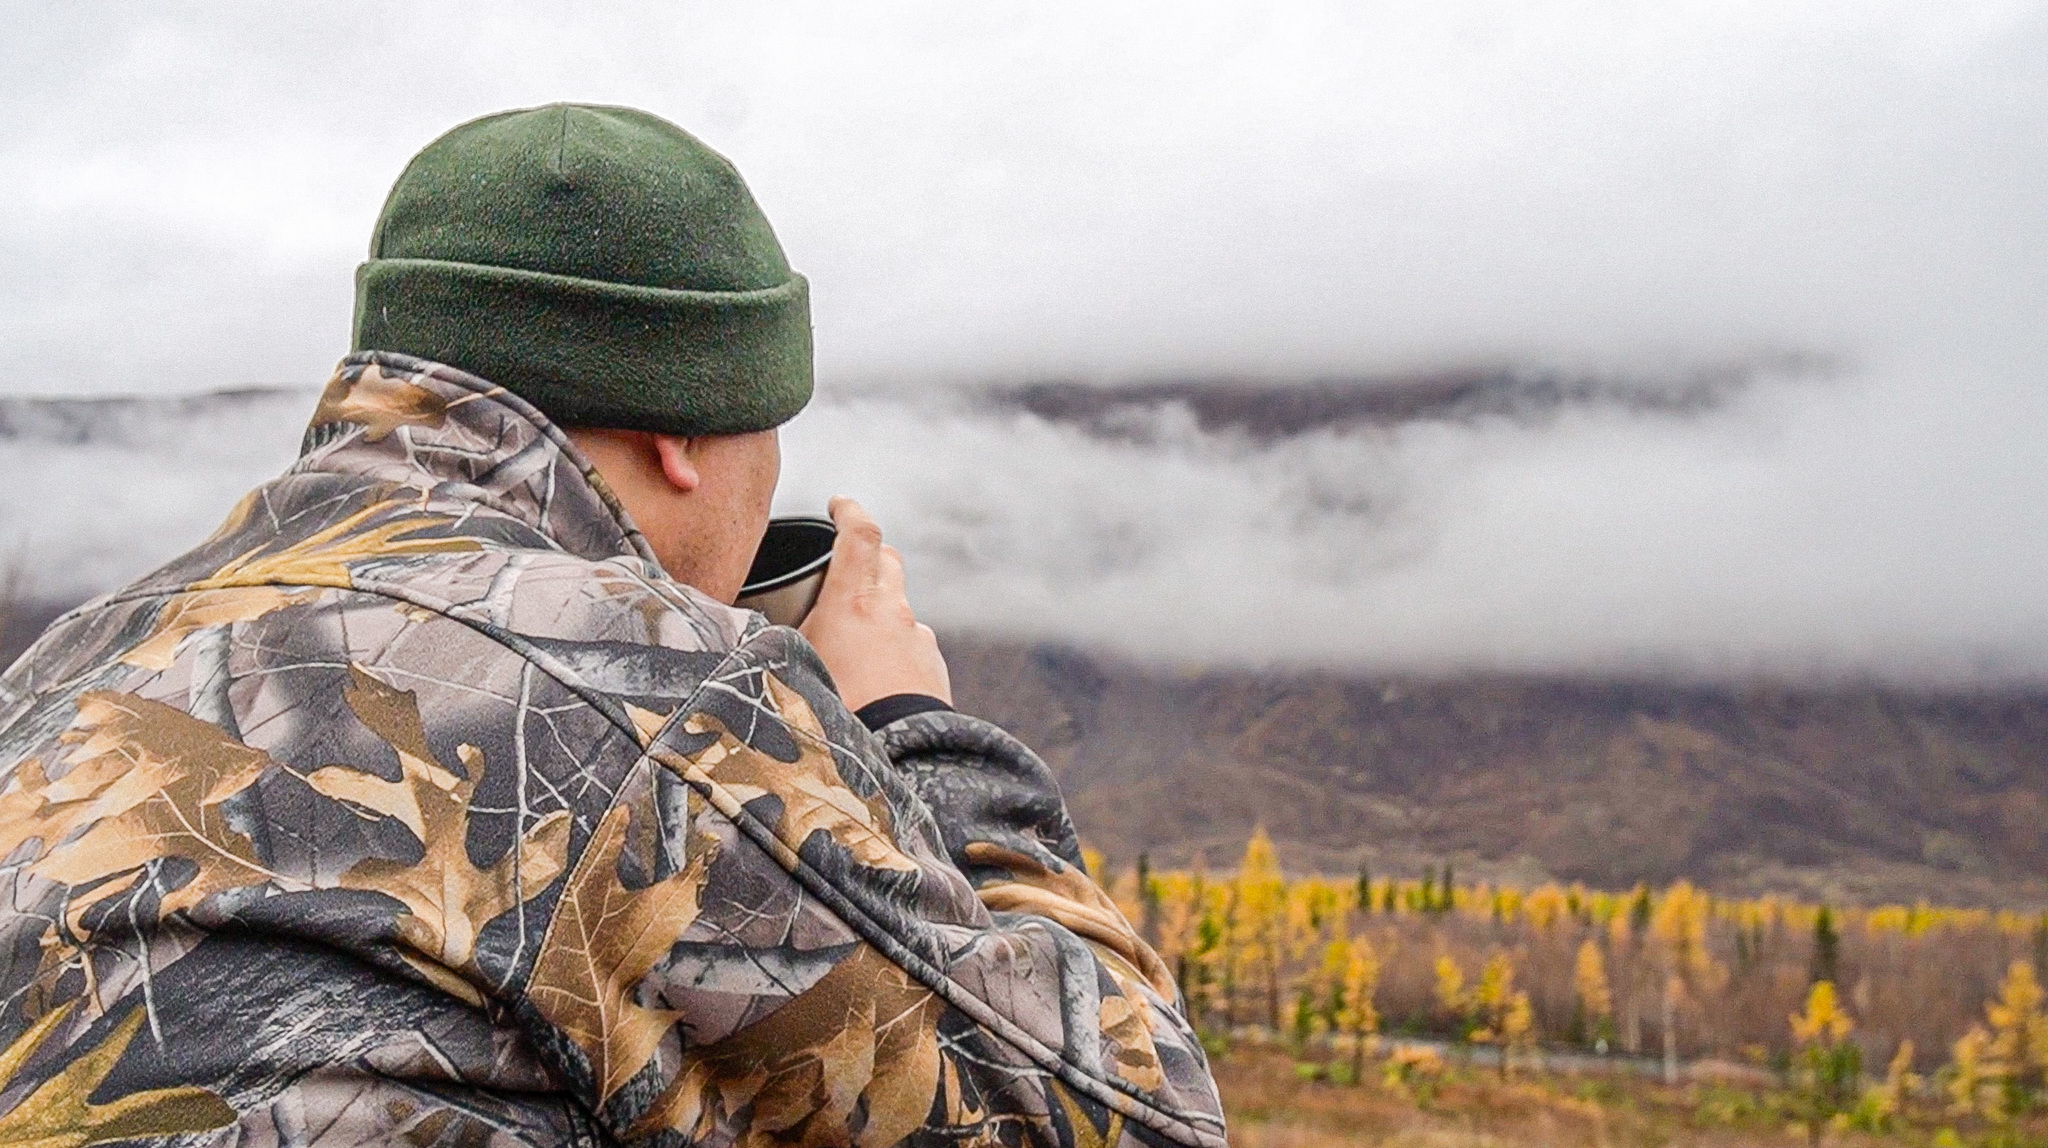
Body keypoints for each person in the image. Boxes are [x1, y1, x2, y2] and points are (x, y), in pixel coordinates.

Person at [0, 105, 1224, 1147]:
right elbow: (1131, 1114)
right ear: (685, 434)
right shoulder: (651, 695)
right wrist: (918, 730)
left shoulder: (69, 662)